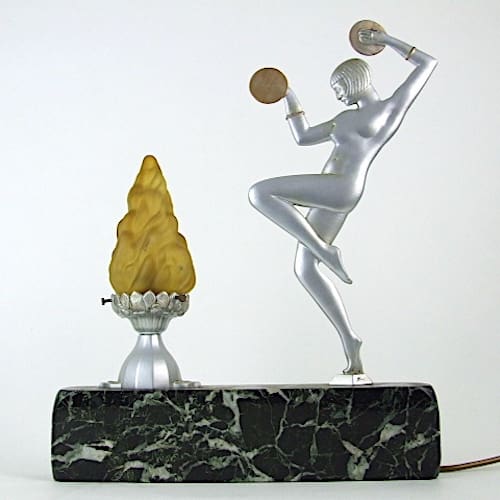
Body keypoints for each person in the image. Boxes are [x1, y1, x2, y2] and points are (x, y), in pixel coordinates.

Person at [248, 29, 437, 376]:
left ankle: (324, 249)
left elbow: (427, 64)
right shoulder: (342, 118)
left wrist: (384, 39)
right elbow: (303, 137)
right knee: (304, 268)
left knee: (260, 193)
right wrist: (288, 94)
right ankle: (351, 343)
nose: (336, 94)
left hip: (342, 187)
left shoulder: (389, 109)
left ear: (354, 80)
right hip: (331, 190)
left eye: (338, 87)